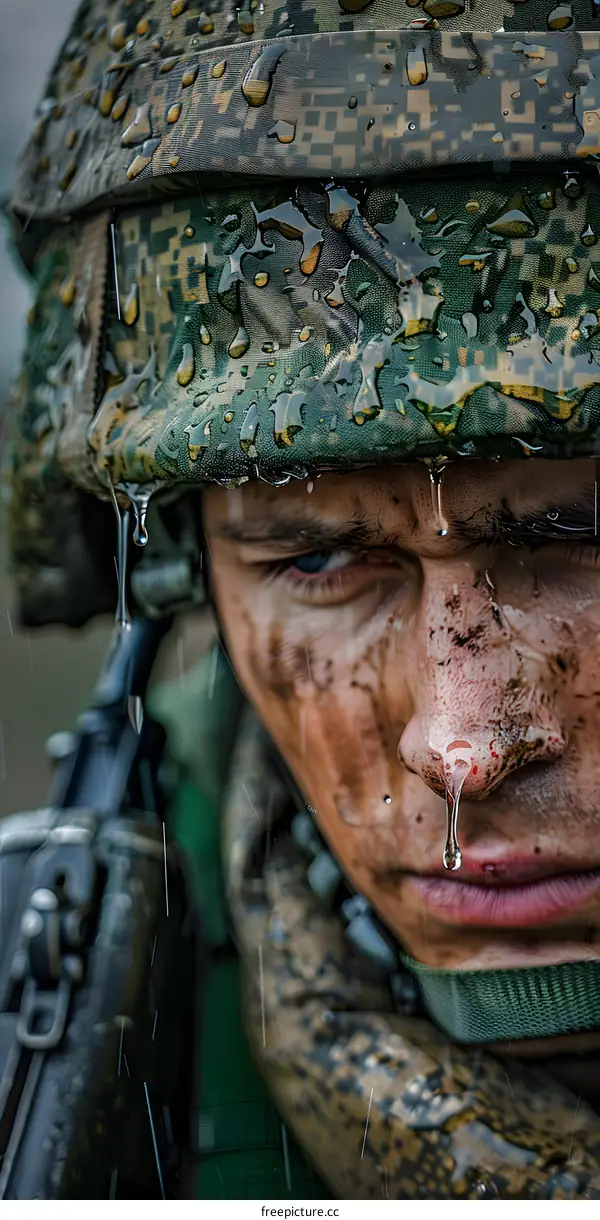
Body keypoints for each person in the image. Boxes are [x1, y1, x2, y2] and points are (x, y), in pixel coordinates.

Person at [7, 0, 600, 1199]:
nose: (465, 745)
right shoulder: (63, 1034)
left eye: (576, 534)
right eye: (317, 563)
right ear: (188, 576)